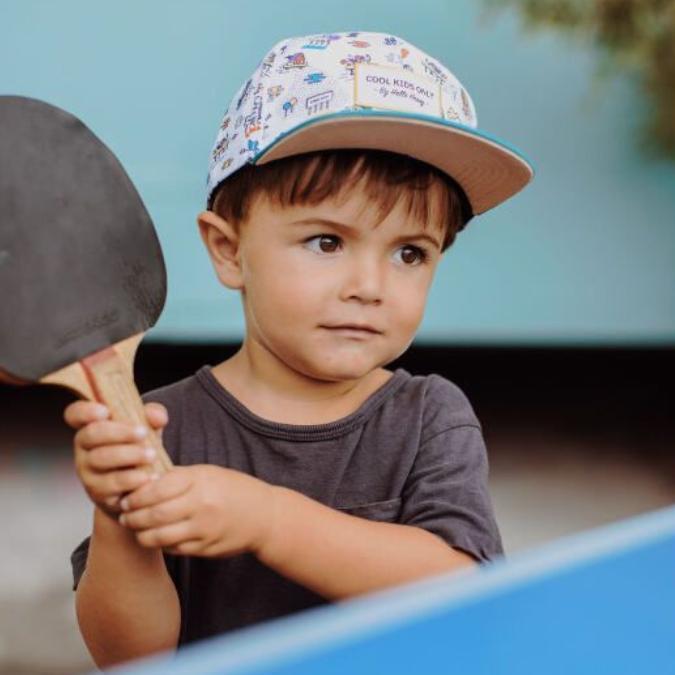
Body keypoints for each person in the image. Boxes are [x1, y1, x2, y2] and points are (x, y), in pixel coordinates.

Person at [66, 30, 534, 668]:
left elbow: (463, 596)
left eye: (409, 253)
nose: (369, 287)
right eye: (327, 242)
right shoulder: (160, 427)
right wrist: (120, 523)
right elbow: (134, 656)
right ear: (229, 250)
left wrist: (270, 521)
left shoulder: (428, 415)